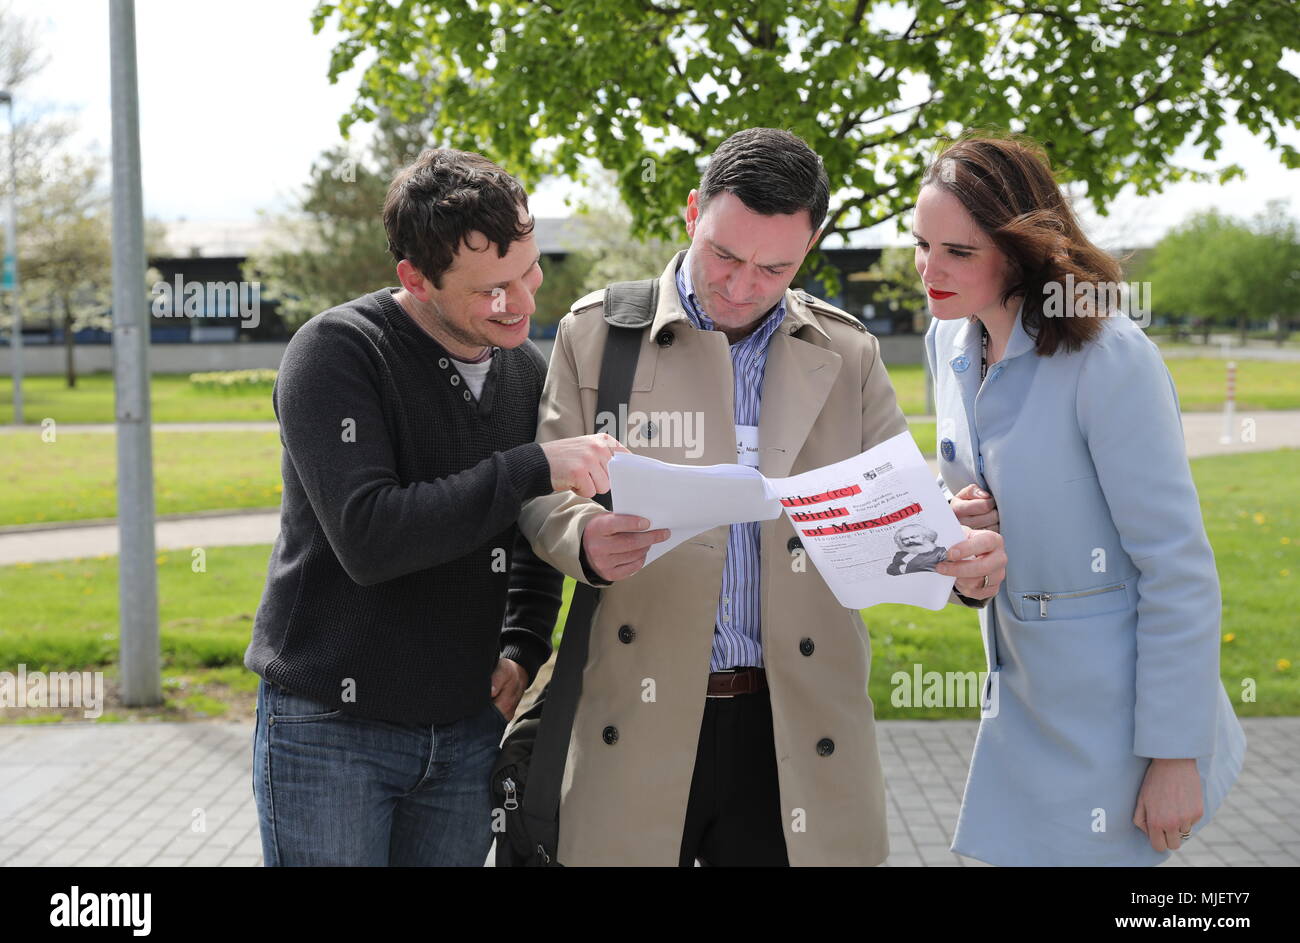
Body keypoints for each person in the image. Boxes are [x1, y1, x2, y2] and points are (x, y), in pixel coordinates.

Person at [518, 127, 1007, 866]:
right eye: (725, 255)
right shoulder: (596, 334)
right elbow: (544, 494)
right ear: (693, 213)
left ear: (807, 251)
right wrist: (583, 536)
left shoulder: (848, 352)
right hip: (639, 720)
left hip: (797, 728)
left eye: (774, 267)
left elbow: (904, 509)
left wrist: (958, 552)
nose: (743, 286)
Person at [245, 148, 625, 866]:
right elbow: (372, 538)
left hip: (466, 728)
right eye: (490, 291)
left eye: (529, 272)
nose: (520, 303)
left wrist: (524, 643)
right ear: (415, 279)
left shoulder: (525, 371)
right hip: (331, 726)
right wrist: (532, 464)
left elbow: (532, 530)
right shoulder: (335, 354)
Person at [916, 132, 1246, 866]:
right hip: (1020, 700)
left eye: (958, 252)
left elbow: (1178, 568)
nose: (928, 269)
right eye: (921, 244)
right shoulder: (950, 344)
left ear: (1023, 251)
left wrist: (1174, 755)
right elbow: (981, 517)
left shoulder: (1109, 359)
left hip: (1117, 721)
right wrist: (963, 526)